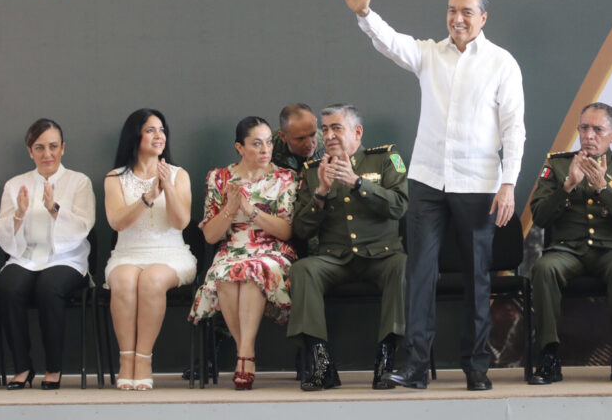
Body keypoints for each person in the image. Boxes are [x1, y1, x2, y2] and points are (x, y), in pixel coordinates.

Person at [337, 0, 525, 390]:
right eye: (452, 10)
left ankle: (477, 366)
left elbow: (514, 128)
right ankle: (416, 366)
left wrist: (508, 182)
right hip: (426, 181)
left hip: (478, 184)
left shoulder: (501, 63)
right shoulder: (429, 54)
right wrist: (365, 13)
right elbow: (391, 42)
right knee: (419, 273)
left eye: (467, 12)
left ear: (483, 18)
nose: (457, 18)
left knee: (478, 276)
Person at [288, 104, 408, 391]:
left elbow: (400, 206)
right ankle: (322, 364)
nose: (328, 135)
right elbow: (302, 230)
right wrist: (321, 193)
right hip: (335, 259)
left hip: (382, 254)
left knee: (403, 267)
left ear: (357, 131)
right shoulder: (314, 171)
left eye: (336, 128)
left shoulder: (386, 159)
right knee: (304, 270)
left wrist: (357, 184)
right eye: (325, 129)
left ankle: (386, 362)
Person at [528, 103, 612, 384]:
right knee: (545, 268)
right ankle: (549, 356)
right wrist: (567, 186)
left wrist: (604, 188)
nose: (589, 135)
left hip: (611, 249)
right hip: (568, 249)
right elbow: (540, 217)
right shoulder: (557, 165)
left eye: (597, 130)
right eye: (584, 128)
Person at [189, 116, 298, 390]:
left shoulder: (285, 177)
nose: (265, 150)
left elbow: (285, 231)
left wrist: (251, 211)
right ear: (240, 147)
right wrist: (230, 207)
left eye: (269, 143)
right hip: (231, 248)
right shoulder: (219, 178)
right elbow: (211, 236)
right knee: (227, 273)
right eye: (257, 144)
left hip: (271, 249)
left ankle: (244, 353)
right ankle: (245, 354)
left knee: (251, 272)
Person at [0, 119, 96, 390]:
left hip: (66, 257)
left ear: (63, 148)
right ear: (30, 151)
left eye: (53, 147)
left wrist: (54, 208)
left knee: (49, 287)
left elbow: (84, 226)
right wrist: (19, 214)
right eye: (39, 148)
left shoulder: (79, 182)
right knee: (7, 287)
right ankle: (22, 368)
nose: (47, 154)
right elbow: (1, 231)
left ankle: (53, 368)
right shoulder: (16, 185)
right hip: (26, 255)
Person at [104, 108, 196, 391]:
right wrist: (147, 197)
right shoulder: (115, 178)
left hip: (171, 254)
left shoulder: (179, 175)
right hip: (128, 254)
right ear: (135, 136)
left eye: (162, 130)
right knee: (123, 279)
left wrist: (166, 186)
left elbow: (181, 221)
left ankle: (143, 359)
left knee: (152, 279)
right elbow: (117, 222)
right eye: (150, 130)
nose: (159, 136)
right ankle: (126, 360)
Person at [272, 103, 325, 172]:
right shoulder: (268, 148)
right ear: (283, 136)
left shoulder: (329, 144)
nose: (309, 144)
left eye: (313, 134)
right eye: (300, 139)